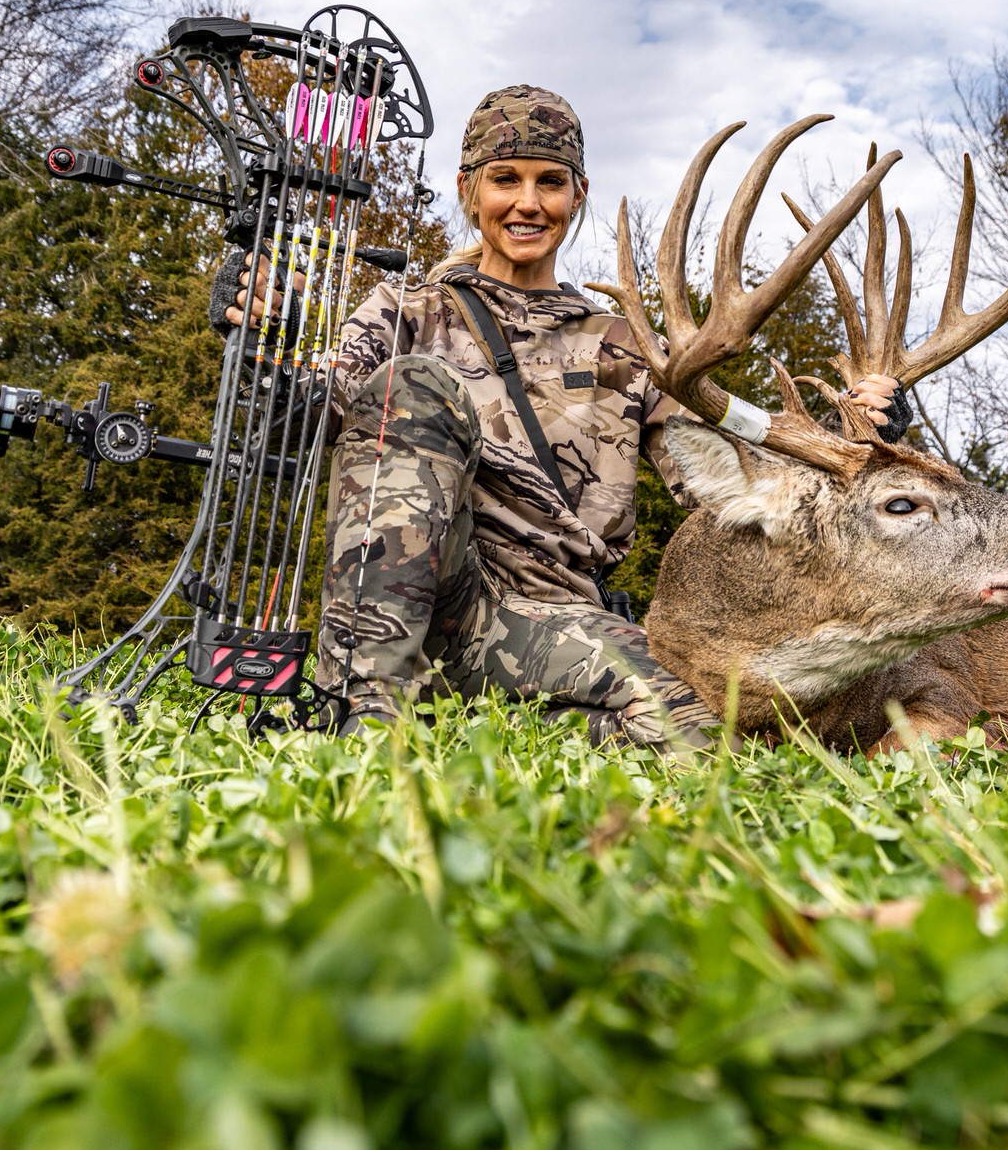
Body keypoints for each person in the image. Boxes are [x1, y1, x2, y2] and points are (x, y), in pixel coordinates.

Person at [230, 85, 906, 746]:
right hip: (420, 598)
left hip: (551, 623)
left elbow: (733, 479)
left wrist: (862, 435)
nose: (528, 203)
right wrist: (272, 340)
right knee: (412, 384)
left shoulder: (627, 346)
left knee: (698, 732)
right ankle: (365, 721)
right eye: (505, 180)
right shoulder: (406, 311)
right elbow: (302, 426)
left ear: (577, 194)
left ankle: (470, 733)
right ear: (470, 189)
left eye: (550, 182)